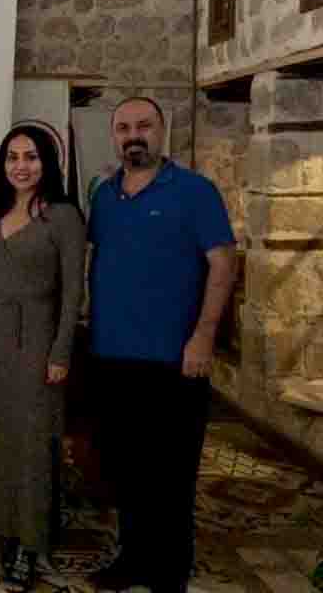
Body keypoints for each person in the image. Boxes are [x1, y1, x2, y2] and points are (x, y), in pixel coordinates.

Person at [87, 97, 235, 593]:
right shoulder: (105, 196)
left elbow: (223, 263)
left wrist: (204, 336)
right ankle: (132, 559)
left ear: (161, 130)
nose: (134, 135)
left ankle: (169, 572)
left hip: (176, 359)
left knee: (171, 473)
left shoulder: (195, 191)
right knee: (126, 468)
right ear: (114, 136)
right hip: (112, 355)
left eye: (144, 126)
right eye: (124, 127)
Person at [0, 125, 85, 577]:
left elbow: (73, 291)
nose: (21, 166)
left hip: (39, 342)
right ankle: (2, 529)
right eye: (13, 157)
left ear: (48, 163)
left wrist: (61, 352)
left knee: (35, 444)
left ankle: (31, 540)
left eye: (31, 156)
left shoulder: (63, 216)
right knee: (0, 439)